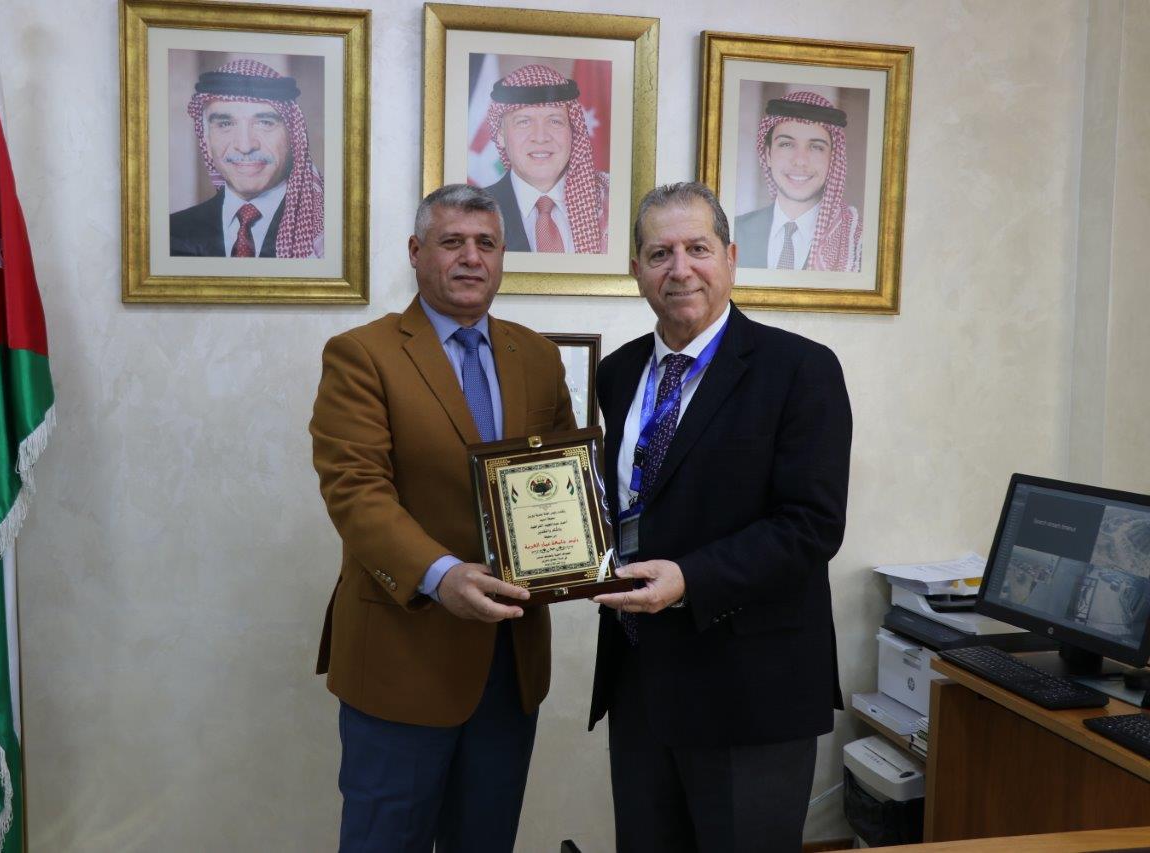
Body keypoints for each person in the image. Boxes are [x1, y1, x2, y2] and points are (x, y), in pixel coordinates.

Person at [310, 184, 575, 851]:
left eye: (486, 243)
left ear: (503, 255)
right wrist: (441, 574)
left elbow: (563, 482)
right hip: (402, 658)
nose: (470, 258)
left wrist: (581, 556)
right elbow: (355, 490)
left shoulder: (538, 356)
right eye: (452, 241)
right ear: (416, 251)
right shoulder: (362, 353)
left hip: (510, 663)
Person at [589, 182, 852, 851]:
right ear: (636, 269)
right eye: (660, 253)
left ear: (731, 258)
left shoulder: (800, 370)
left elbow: (812, 524)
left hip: (751, 690)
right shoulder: (617, 373)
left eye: (697, 249)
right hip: (641, 683)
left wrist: (689, 578)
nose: (680, 269)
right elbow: (628, 502)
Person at [170, 59, 324, 258]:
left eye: (265, 123)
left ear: (293, 137)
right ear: (206, 141)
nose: (245, 146)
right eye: (225, 124)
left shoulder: (327, 232)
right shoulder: (171, 233)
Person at [481, 64, 609, 254]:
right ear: (500, 134)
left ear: (573, 130)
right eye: (524, 122)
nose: (540, 137)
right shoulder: (474, 210)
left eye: (555, 121)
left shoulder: (609, 203)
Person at [735, 91, 862, 272]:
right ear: (768, 154)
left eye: (816, 147)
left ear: (832, 160)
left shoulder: (855, 241)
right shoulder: (734, 232)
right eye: (786, 144)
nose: (800, 161)